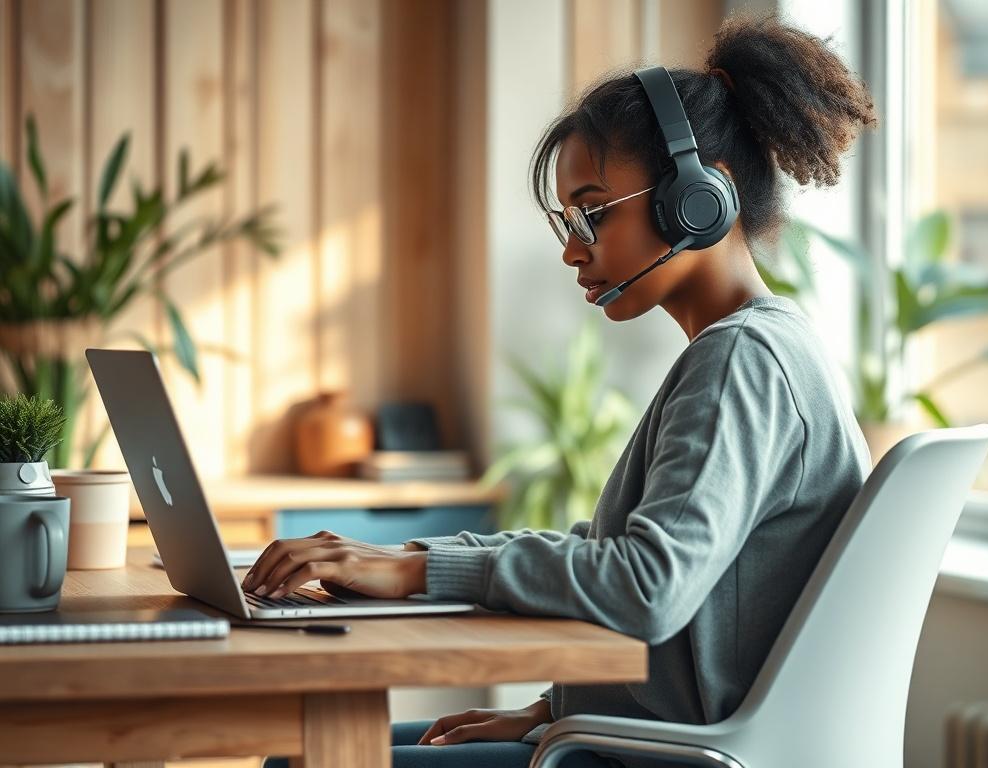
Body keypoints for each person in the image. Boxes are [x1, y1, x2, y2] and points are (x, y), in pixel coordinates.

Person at [251, 12, 877, 768]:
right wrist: (542, 701)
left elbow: (648, 585)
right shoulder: (765, 345)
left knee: (303, 762)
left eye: (592, 212)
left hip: (664, 756)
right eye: (566, 220)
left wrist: (413, 571)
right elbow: (648, 566)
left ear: (699, 199)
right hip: (644, 736)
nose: (573, 249)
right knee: (315, 752)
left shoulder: (743, 358)